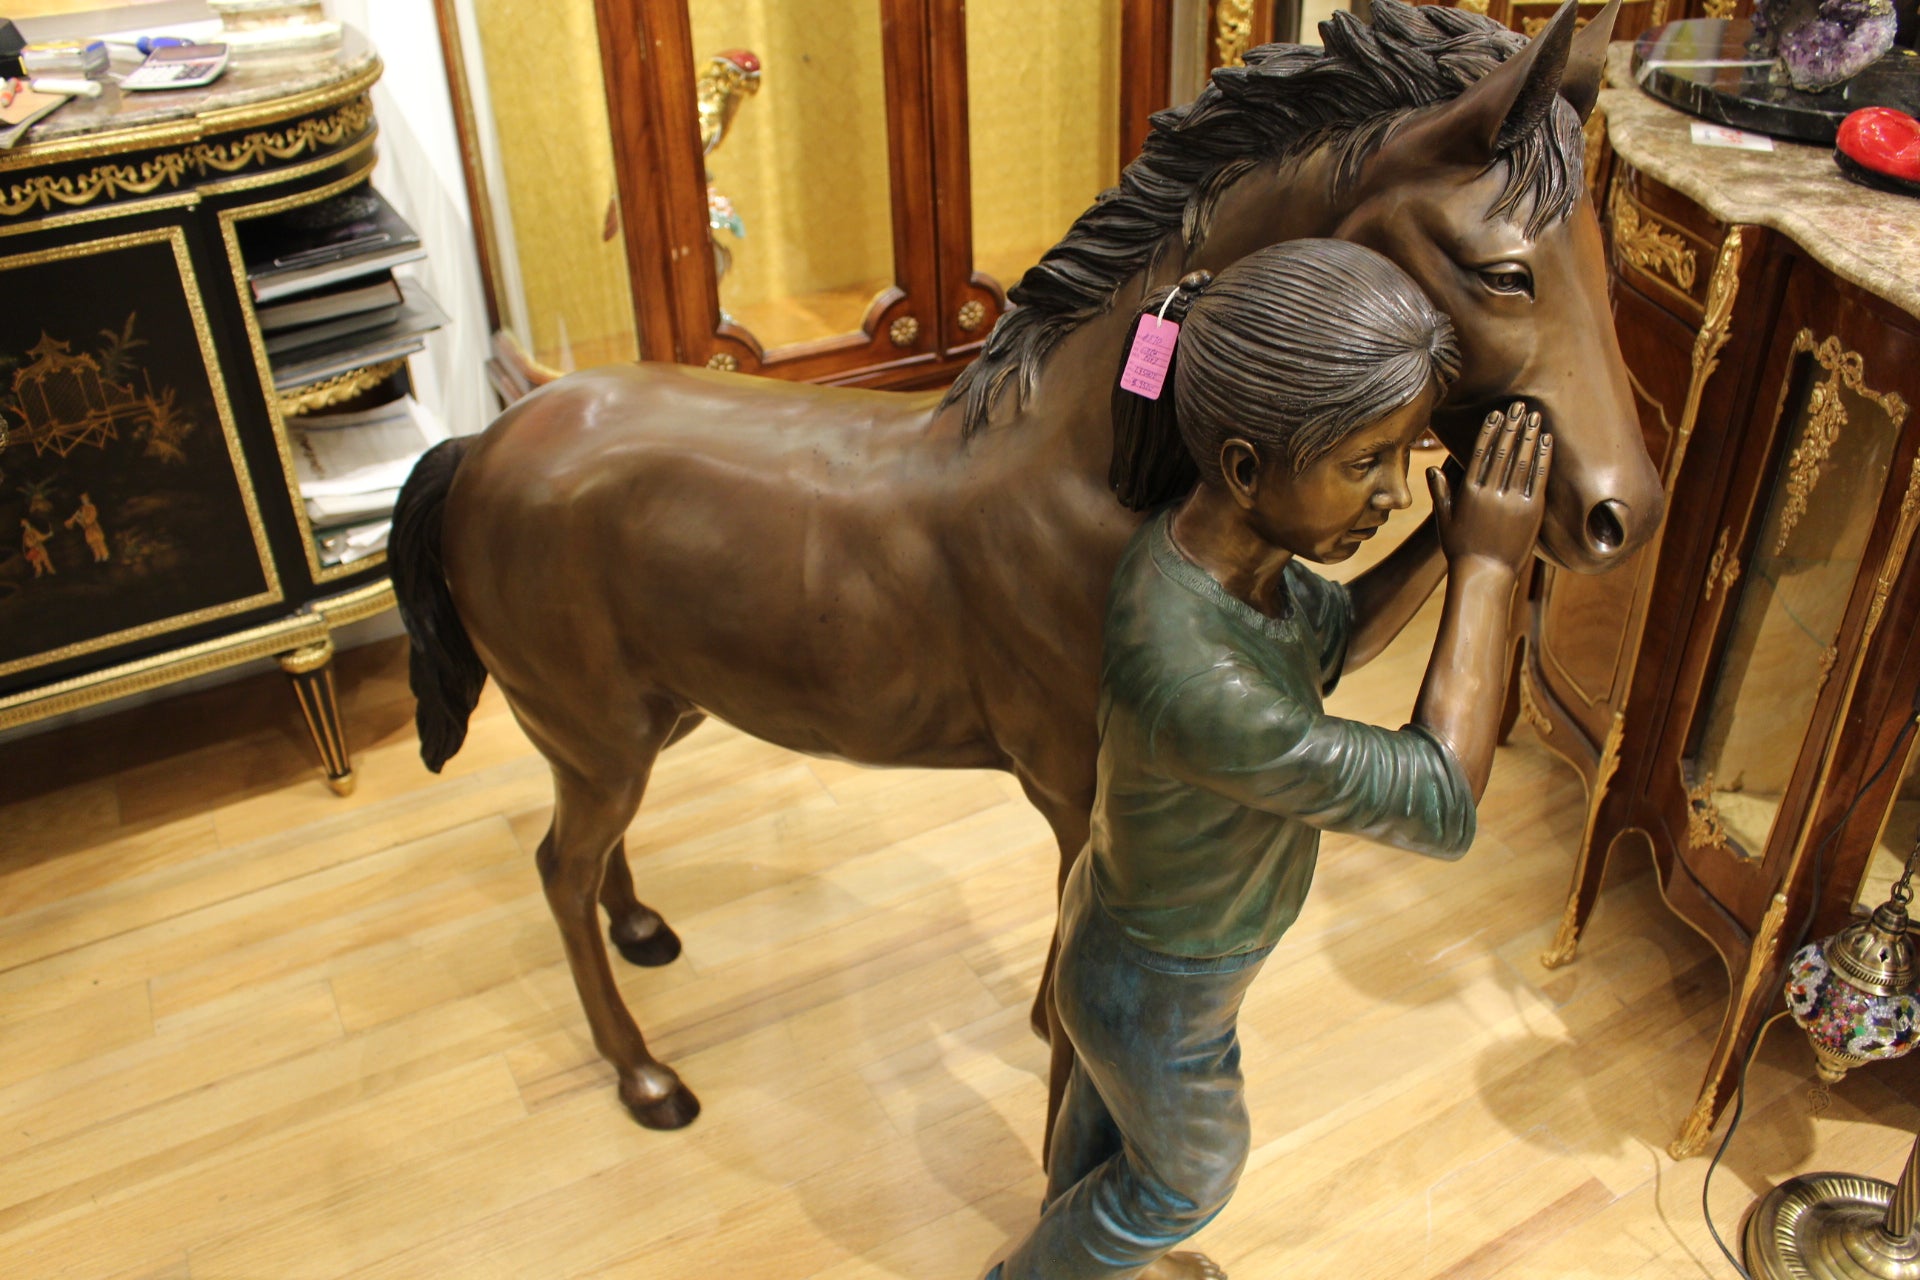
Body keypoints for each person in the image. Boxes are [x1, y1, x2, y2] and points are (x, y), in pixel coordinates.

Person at [986, 240, 1549, 1280]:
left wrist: (1444, 538)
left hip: (1132, 939)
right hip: (1162, 976)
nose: (1391, 491)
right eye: (1365, 462)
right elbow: (1441, 797)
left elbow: (1338, 637)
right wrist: (1486, 569)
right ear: (1247, 465)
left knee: (1103, 1141)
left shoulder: (1229, 557)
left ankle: (1077, 1255)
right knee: (1189, 1173)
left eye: (1405, 455)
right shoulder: (1196, 675)